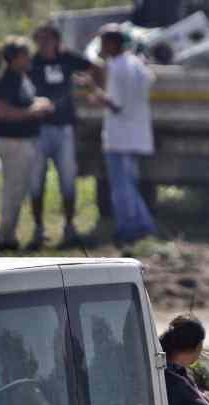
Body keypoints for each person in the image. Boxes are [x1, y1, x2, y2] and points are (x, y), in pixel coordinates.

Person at [28, 23, 100, 249]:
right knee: (36, 180)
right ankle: (38, 229)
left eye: (49, 39)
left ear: (57, 41)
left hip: (64, 128)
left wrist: (90, 87)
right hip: (38, 129)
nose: (45, 44)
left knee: (68, 179)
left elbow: (95, 68)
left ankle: (69, 226)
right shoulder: (31, 62)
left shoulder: (67, 58)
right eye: (40, 40)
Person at [89, 25, 158, 245]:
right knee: (129, 183)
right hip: (136, 133)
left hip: (119, 136)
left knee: (121, 187)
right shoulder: (136, 63)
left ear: (113, 44)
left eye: (103, 42)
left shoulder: (117, 68)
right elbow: (150, 80)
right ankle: (144, 225)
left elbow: (116, 104)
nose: (101, 47)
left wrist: (93, 90)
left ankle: (129, 228)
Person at [0, 36, 54, 251]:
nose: (29, 58)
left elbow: (25, 101)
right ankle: (3, 238)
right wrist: (33, 111)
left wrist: (40, 103)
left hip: (25, 141)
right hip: (13, 141)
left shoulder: (21, 78)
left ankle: (8, 234)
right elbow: (4, 112)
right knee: (13, 190)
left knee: (18, 190)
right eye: (25, 54)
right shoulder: (6, 79)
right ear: (16, 58)